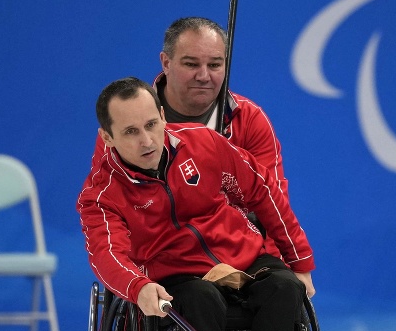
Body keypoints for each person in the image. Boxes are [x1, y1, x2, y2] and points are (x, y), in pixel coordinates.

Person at [78, 77, 315, 331]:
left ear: (161, 115)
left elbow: (262, 191)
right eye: (131, 132)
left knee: (285, 289)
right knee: (201, 299)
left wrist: (300, 262)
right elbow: (106, 255)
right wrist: (137, 286)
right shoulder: (101, 196)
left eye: (152, 125)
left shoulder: (204, 143)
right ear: (108, 138)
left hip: (243, 256)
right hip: (178, 276)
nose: (147, 141)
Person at [87, 17, 288, 258]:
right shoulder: (124, 124)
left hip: (241, 257)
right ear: (166, 62)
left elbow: (272, 207)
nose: (204, 76)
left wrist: (276, 269)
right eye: (191, 64)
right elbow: (112, 214)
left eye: (215, 65)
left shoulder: (250, 120)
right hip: (163, 264)